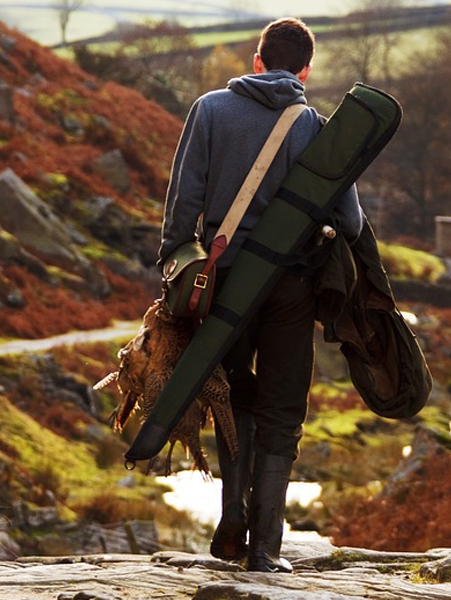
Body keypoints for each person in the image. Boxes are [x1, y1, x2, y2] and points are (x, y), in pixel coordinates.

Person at [157, 17, 362, 573]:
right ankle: (266, 549)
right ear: (305, 70)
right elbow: (350, 218)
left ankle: (231, 521)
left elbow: (183, 203)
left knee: (232, 399)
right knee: (281, 408)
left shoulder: (208, 110)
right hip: (291, 287)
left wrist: (178, 269)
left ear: (256, 60)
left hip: (223, 283)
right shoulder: (316, 127)